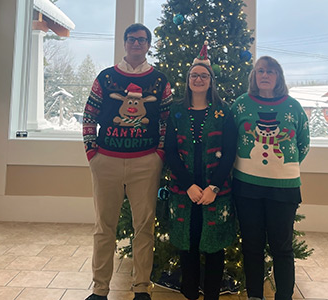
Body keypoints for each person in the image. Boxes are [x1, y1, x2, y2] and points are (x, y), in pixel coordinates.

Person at [83, 23, 172, 300]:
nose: (137, 44)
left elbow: (167, 123)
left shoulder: (159, 80)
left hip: (145, 164)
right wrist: (92, 154)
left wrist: (158, 155)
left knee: (144, 228)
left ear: (148, 45)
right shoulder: (106, 77)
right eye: (132, 39)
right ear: (125, 43)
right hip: (106, 161)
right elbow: (89, 116)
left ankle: (141, 287)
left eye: (142, 40)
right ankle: (99, 289)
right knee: (103, 227)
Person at [231, 56, 310, 300]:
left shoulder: (293, 107)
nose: (265, 75)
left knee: (282, 249)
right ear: (254, 76)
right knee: (252, 247)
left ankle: (284, 296)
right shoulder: (241, 104)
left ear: (279, 77)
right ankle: (255, 295)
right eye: (260, 71)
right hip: (247, 189)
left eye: (271, 71)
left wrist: (280, 169)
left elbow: (303, 144)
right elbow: (229, 139)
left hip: (283, 190)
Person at [164, 43, 237, 300]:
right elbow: (170, 152)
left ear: (210, 80)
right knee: (188, 246)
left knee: (214, 248)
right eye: (194, 75)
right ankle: (191, 294)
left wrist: (214, 187)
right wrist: (188, 185)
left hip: (214, 193)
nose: (198, 79)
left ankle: (212, 296)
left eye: (203, 75)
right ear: (187, 80)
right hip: (186, 193)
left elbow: (229, 153)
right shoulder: (176, 111)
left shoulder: (223, 111)